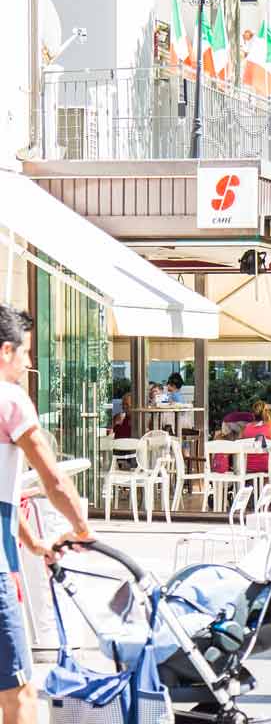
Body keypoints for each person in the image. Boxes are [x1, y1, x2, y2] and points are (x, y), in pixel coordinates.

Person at [0, 305, 93, 723]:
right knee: (19, 693)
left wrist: (32, 542)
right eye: (25, 352)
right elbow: (52, 478)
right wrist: (81, 527)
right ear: (5, 352)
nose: (28, 362)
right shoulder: (10, 400)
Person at [242, 400, 271, 474]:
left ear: (253, 414)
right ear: (267, 413)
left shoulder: (245, 428)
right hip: (266, 465)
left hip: (248, 465)